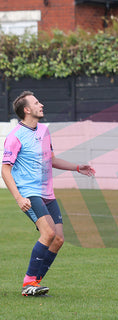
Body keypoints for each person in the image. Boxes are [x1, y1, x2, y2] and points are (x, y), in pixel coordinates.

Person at [2, 91, 95, 296]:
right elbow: (5, 169)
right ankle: (29, 283)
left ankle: (35, 282)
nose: (41, 105)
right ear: (27, 110)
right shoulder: (15, 137)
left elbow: (51, 159)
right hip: (29, 193)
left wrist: (77, 167)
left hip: (48, 193)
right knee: (48, 233)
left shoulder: (44, 131)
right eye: (36, 103)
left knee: (59, 239)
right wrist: (19, 198)